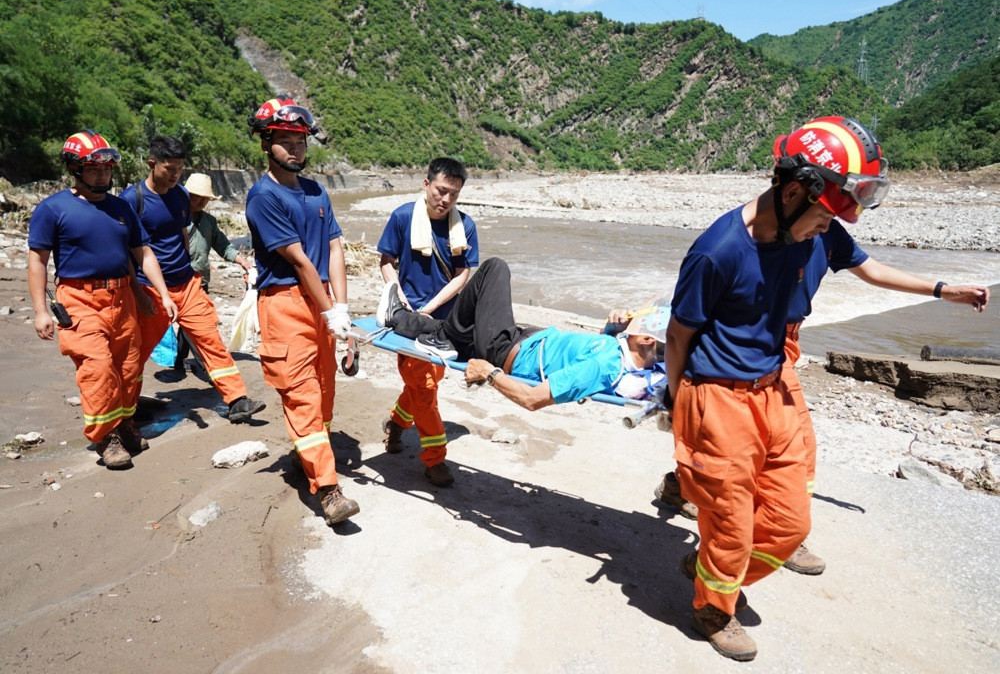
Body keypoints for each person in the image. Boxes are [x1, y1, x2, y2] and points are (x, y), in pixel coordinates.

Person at [663, 116, 893, 661]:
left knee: (788, 523)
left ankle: (709, 570)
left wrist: (941, 288)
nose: (830, 230)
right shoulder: (716, 251)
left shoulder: (806, 232)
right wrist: (676, 400)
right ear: (793, 192)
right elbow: (679, 334)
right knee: (729, 520)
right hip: (717, 397)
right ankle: (712, 610)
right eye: (826, 216)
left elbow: (861, 265)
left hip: (772, 388)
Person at [656, 205, 990, 575]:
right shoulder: (752, 238)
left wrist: (942, 290)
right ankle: (726, 527)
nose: (831, 222)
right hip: (752, 347)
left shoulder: (824, 228)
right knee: (742, 448)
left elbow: (871, 269)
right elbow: (685, 328)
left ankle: (764, 524)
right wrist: (679, 396)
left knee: (791, 448)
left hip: (782, 349)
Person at [27, 129, 178, 469]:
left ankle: (124, 425)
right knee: (97, 370)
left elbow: (143, 252)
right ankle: (104, 437)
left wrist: (161, 294)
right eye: (94, 168)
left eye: (108, 168)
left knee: (127, 368)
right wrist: (40, 311)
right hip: (79, 300)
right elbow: (37, 260)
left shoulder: (121, 207)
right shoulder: (53, 209)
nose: (103, 174)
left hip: (122, 296)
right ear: (75, 169)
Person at [244, 95, 359, 526]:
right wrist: (332, 312)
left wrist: (340, 307)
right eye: (285, 140)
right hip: (286, 304)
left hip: (322, 299)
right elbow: (299, 261)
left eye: (300, 140)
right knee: (303, 395)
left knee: (325, 390)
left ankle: (307, 454)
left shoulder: (316, 191)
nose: (295, 148)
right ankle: (329, 491)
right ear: (266, 143)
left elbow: (333, 248)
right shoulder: (263, 197)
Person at [381, 257, 663, 412]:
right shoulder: (616, 352)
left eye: (639, 315)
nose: (633, 314)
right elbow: (591, 350)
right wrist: (612, 331)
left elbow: (533, 399)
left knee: (495, 268)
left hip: (503, 350)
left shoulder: (604, 364)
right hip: (519, 340)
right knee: (456, 331)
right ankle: (399, 318)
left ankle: (434, 333)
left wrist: (488, 373)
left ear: (648, 338)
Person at [120, 136, 265, 425]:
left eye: (180, 169)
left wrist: (187, 265)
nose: (175, 175)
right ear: (152, 164)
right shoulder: (131, 200)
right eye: (169, 168)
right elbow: (124, 250)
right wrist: (136, 293)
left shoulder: (179, 196)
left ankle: (237, 400)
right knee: (137, 351)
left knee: (211, 341)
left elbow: (182, 232)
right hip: (148, 288)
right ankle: (125, 409)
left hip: (187, 284)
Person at [375, 157, 479, 487]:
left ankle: (395, 424)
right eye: (441, 190)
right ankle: (434, 460)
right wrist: (399, 294)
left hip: (444, 321)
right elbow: (386, 260)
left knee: (424, 384)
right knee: (425, 387)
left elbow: (463, 274)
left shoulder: (466, 226)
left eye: (454, 194)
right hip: (406, 319)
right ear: (426, 185)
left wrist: (431, 308)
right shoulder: (404, 216)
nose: (446, 199)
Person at [173, 172, 252, 373]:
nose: (200, 201)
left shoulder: (209, 221)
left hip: (200, 281)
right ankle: (207, 366)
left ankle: (179, 360)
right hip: (177, 280)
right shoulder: (173, 217)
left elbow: (223, 245)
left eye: (204, 198)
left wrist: (242, 261)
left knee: (190, 323)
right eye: (196, 196)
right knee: (198, 324)